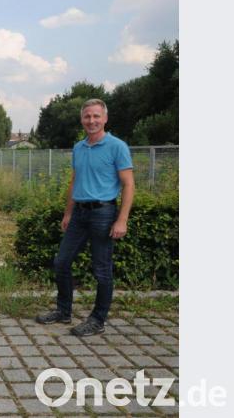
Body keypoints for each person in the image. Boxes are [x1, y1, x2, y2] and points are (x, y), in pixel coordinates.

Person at [36, 98, 135, 337]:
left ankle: (98, 320)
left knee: (101, 269)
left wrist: (122, 219)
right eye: (87, 116)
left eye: (96, 116)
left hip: (103, 213)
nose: (92, 121)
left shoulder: (117, 146)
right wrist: (68, 212)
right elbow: (75, 182)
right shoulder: (79, 148)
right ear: (82, 120)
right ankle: (63, 311)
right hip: (79, 214)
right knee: (62, 262)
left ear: (105, 118)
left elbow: (129, 184)